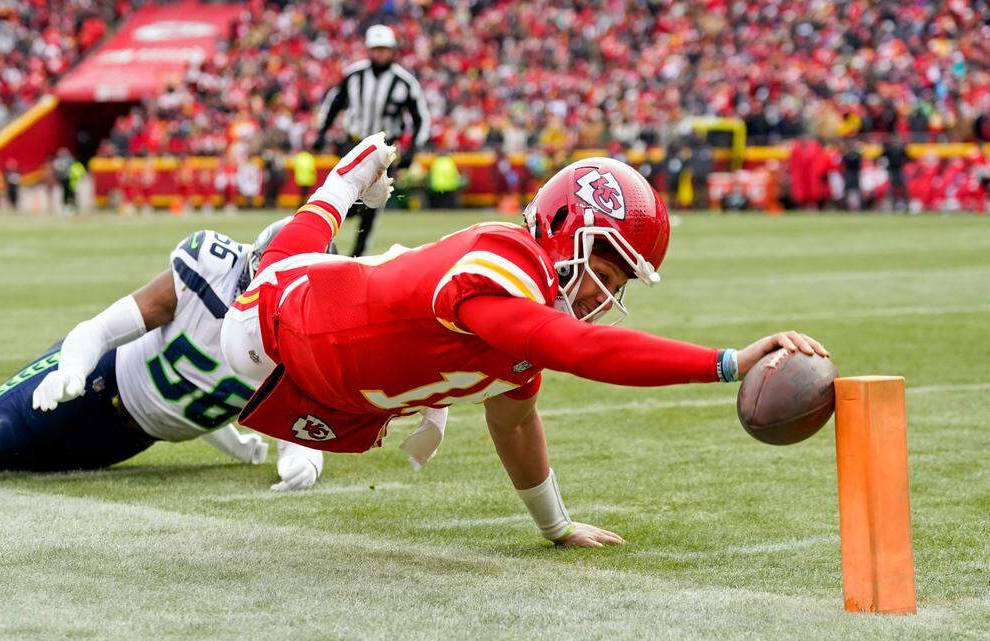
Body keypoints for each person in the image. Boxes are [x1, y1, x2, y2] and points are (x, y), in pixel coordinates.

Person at [220, 133, 829, 547]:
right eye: (606, 272)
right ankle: (342, 183)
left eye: (618, 285)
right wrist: (725, 363)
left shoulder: (519, 334)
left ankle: (342, 189)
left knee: (305, 258)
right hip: (272, 324)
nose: (603, 297)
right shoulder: (504, 258)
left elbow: (514, 426)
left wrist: (557, 527)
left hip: (336, 391)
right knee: (280, 266)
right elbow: (581, 350)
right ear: (568, 228)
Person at [0, 221, 326, 491]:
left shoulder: (306, 337)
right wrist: (73, 368)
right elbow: (102, 328)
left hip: (129, 439)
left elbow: (296, 425)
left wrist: (302, 460)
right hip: (97, 379)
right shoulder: (211, 270)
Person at [313, 24, 430, 256]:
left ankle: (357, 255)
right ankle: (320, 243)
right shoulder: (354, 75)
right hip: (353, 144)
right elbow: (332, 104)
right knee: (343, 195)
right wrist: (321, 131)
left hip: (384, 152)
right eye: (376, 49)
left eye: (384, 49)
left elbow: (421, 118)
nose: (380, 54)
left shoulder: (404, 81)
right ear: (368, 50)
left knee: (373, 206)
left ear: (393, 50)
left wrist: (413, 149)